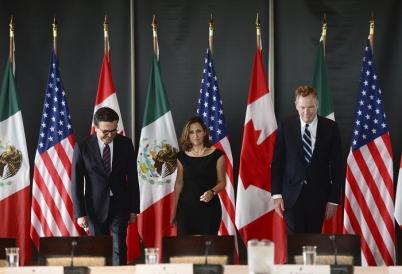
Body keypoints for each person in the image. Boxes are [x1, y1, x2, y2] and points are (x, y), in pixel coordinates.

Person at [71, 107, 140, 265]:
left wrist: (134, 208)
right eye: (105, 131)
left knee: (119, 248)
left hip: (120, 205)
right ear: (96, 127)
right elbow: (76, 182)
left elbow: (134, 179)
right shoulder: (82, 147)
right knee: (98, 250)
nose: (110, 135)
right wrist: (80, 213)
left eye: (113, 131)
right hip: (95, 206)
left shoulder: (126, 144)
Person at [271, 86, 342, 234]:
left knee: (313, 239)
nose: (306, 112)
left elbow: (337, 165)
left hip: (319, 194)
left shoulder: (331, 128)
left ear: (317, 105)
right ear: (296, 105)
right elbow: (277, 161)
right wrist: (277, 195)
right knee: (294, 241)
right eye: (302, 107)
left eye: (310, 107)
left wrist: (333, 199)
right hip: (291, 195)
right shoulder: (285, 125)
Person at [170, 116, 226, 235]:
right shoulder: (181, 157)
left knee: (208, 250)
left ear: (205, 132)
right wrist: (175, 211)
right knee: (185, 250)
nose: (195, 135)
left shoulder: (217, 155)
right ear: (187, 135)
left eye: (198, 131)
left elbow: (222, 182)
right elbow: (179, 183)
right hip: (186, 209)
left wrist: (212, 192)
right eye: (191, 132)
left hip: (209, 210)